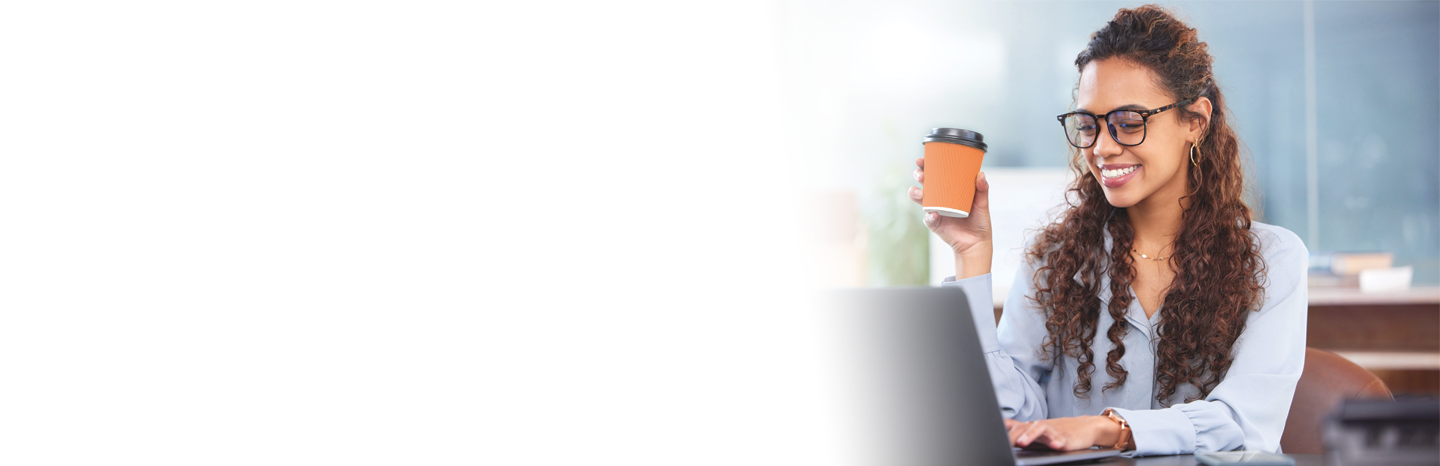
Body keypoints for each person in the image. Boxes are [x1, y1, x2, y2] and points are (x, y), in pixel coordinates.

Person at [906, 5, 1307, 456]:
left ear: (1195, 120)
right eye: (1088, 125)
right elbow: (1005, 414)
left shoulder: (1272, 259)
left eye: (1129, 123)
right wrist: (972, 254)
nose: (1102, 148)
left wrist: (1109, 429)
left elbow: (1244, 423)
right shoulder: (1057, 257)